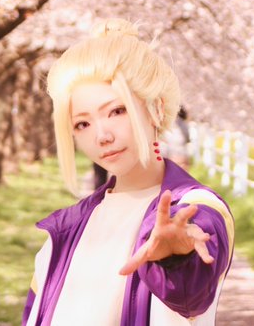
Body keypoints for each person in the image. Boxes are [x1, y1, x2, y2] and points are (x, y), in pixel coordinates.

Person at [21, 19, 234, 326]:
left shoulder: (196, 208)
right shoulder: (66, 229)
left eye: (117, 111)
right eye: (83, 123)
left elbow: (191, 294)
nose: (102, 136)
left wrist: (175, 259)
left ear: (156, 109)